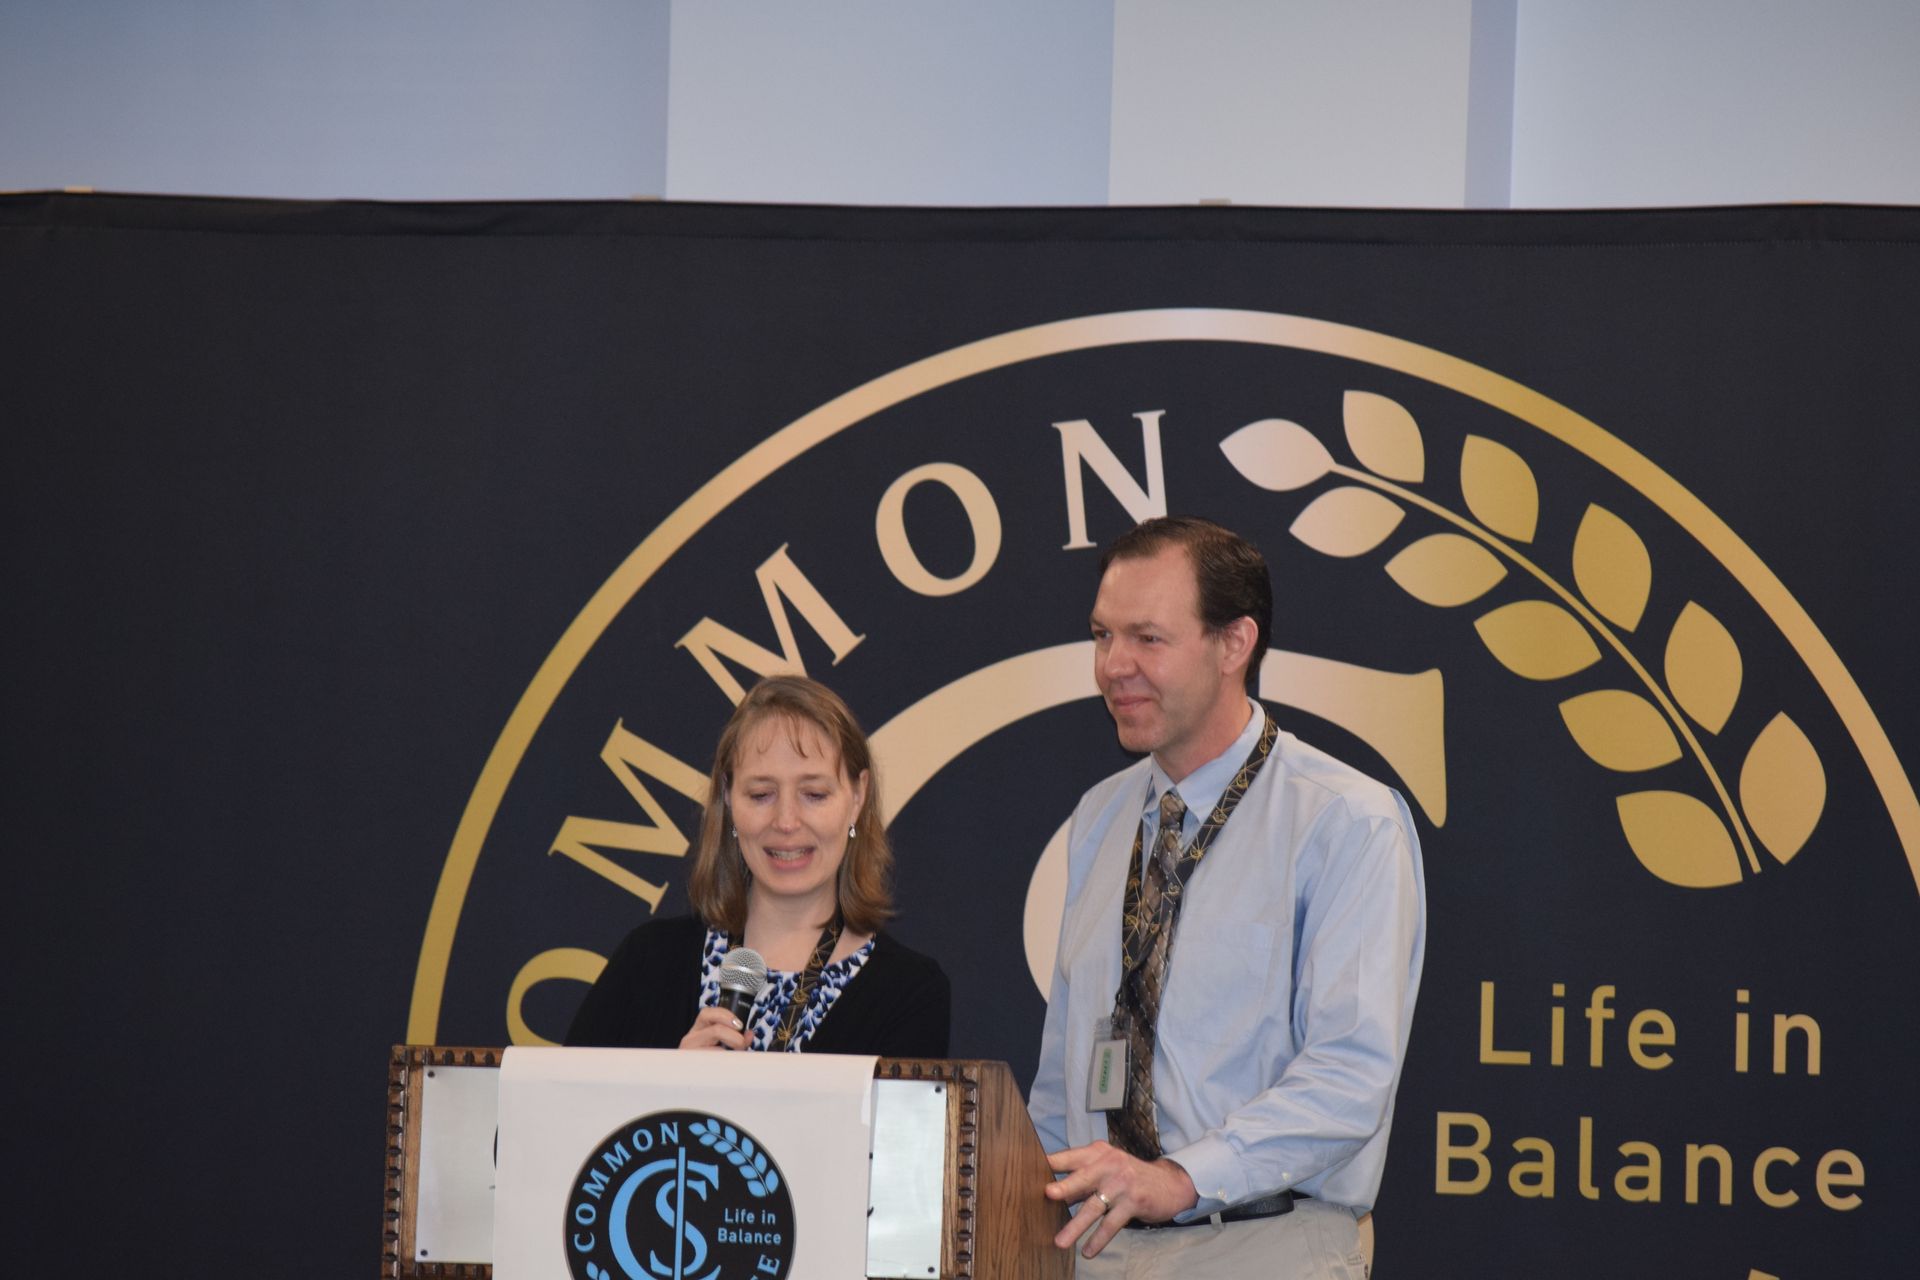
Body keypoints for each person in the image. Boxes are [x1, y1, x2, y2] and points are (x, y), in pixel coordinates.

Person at [1028, 516, 1426, 1278]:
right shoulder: (1099, 818)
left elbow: (1348, 1078)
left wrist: (1178, 1180)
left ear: (1234, 644)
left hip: (1264, 1244)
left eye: (1147, 638)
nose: (1114, 666)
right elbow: (1065, 1074)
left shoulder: (1346, 820)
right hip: (1096, 1250)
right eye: (1102, 636)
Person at [567, 675, 950, 1057]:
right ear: (728, 798)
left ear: (857, 796)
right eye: (761, 794)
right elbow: (555, 1111)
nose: (786, 821)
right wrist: (669, 1085)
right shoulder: (648, 963)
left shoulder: (909, 992)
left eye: (814, 794)